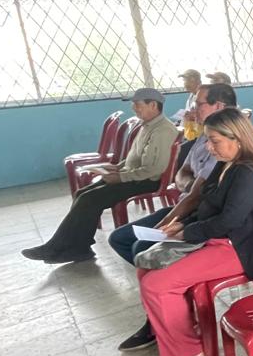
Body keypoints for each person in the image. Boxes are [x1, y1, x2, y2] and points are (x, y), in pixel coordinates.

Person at [136, 108, 253, 356]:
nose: (208, 147)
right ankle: (182, 331)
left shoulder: (250, 172)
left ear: (237, 139)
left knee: (156, 285)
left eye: (214, 140)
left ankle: (191, 354)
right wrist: (182, 223)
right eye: (208, 140)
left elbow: (229, 220)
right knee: (146, 265)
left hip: (239, 248)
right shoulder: (228, 163)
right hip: (218, 238)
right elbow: (208, 205)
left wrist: (187, 232)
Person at [109, 82, 237, 351]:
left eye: (199, 103)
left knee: (143, 247)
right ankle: (171, 301)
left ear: (219, 106)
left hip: (198, 212)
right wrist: (188, 184)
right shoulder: (206, 135)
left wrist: (166, 225)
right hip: (186, 205)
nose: (193, 109)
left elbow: (198, 196)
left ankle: (164, 313)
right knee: (120, 238)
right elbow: (182, 174)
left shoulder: (227, 141)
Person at [22, 88, 180, 265]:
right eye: (133, 104)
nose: (134, 108)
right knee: (83, 194)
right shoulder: (147, 125)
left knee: (91, 198)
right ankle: (74, 246)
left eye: (138, 104)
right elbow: (135, 157)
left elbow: (154, 169)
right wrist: (117, 168)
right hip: (133, 175)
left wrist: (120, 177)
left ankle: (65, 248)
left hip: (147, 181)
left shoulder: (163, 131)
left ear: (153, 105)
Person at [177, 69, 203, 140]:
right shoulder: (191, 95)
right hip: (189, 134)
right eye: (184, 80)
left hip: (199, 136)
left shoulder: (203, 96)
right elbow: (187, 116)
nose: (185, 84)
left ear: (197, 81)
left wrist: (194, 116)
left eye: (188, 80)